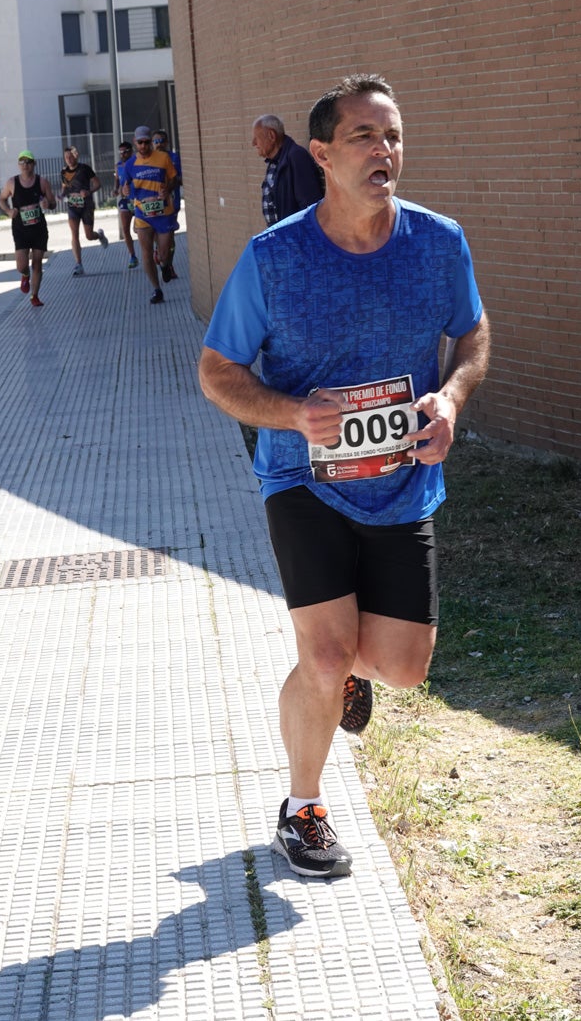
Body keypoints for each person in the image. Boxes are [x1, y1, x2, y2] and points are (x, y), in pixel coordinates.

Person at [200, 74, 491, 878]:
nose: (384, 151)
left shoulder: (438, 242)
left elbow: (470, 336)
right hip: (302, 477)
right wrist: (294, 413)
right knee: (326, 656)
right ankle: (304, 807)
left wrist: (451, 400)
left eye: (392, 135)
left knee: (399, 667)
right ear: (321, 155)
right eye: (364, 137)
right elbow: (217, 371)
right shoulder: (273, 258)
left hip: (401, 482)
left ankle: (340, 678)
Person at [121, 125, 179, 304]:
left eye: (147, 142)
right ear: (135, 143)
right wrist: (124, 190)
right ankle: (156, 289)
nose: (144, 146)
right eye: (141, 143)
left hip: (163, 213)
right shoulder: (130, 164)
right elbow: (125, 188)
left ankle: (165, 265)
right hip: (143, 213)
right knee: (146, 253)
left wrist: (167, 189)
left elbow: (175, 179)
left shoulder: (163, 158)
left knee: (163, 254)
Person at [0, 150, 57, 307]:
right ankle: (25, 275)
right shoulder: (12, 183)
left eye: (28, 162)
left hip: (38, 229)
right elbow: (2, 199)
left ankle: (34, 296)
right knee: (22, 265)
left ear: (34, 164)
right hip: (20, 229)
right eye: (22, 162)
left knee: (37, 263)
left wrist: (47, 204)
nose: (25, 165)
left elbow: (53, 203)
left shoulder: (42, 182)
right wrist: (9, 211)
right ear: (18, 165)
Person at [251, 114, 324, 225]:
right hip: (281, 237)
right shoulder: (275, 162)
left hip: (294, 238)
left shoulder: (296, 157)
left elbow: (310, 207)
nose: (254, 143)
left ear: (271, 135)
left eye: (257, 138)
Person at [60, 145, 109, 276]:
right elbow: (64, 188)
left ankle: (99, 235)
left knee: (88, 236)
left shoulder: (85, 168)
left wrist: (89, 191)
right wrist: (61, 195)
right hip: (72, 207)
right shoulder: (64, 172)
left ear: (75, 156)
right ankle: (78, 264)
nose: (69, 159)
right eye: (66, 157)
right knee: (74, 234)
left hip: (86, 206)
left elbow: (97, 184)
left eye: (71, 156)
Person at [151, 129, 182, 280]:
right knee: (158, 233)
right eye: (156, 141)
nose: (159, 144)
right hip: (154, 204)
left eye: (161, 141)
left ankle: (169, 264)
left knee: (170, 236)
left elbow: (181, 178)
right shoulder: (149, 159)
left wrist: (170, 184)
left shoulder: (174, 158)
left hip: (171, 202)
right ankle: (159, 250)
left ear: (167, 142)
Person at [113, 141, 138, 269]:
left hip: (137, 198)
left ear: (131, 151)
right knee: (125, 229)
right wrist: (116, 190)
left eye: (125, 151)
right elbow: (117, 181)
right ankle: (133, 256)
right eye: (120, 152)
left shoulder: (136, 162)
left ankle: (153, 249)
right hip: (125, 200)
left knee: (138, 229)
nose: (123, 154)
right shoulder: (118, 166)